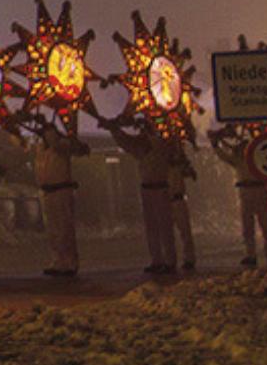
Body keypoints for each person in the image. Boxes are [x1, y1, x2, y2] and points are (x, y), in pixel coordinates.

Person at [105, 116, 176, 274]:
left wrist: (149, 126)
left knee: (165, 227)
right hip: (147, 189)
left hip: (160, 188)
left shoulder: (160, 146)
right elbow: (125, 142)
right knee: (152, 228)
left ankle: (170, 261)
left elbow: (159, 141)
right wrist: (114, 130)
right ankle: (156, 260)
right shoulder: (142, 150)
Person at [25, 116, 88, 276]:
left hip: (61, 191)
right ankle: (58, 261)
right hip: (48, 192)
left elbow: (73, 148)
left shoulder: (62, 145)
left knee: (64, 229)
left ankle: (69, 263)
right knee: (53, 230)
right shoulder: (41, 147)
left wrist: (54, 134)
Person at [211, 125, 267, 269]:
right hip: (246, 190)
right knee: (248, 225)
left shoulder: (257, 157)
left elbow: (226, 155)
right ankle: (251, 254)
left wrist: (219, 143)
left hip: (258, 188)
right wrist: (216, 145)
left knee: (266, 224)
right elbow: (224, 156)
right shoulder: (238, 159)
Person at [168, 152, 197, 272]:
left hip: (178, 199)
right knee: (167, 234)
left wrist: (184, 162)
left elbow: (191, 174)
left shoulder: (179, 164)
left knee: (185, 231)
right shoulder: (160, 162)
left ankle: (189, 259)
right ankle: (169, 260)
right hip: (166, 200)